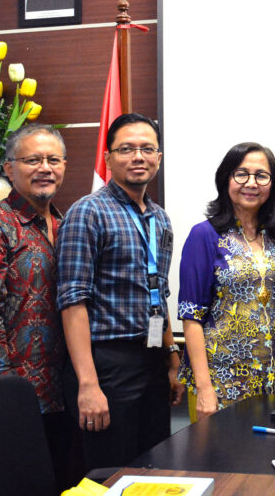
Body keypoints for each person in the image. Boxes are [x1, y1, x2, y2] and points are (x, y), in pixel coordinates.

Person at [56, 113, 185, 472]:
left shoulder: (160, 218)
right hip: (106, 365)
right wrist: (88, 384)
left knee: (152, 470)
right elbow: (72, 302)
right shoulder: (88, 212)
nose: (138, 157)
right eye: (126, 149)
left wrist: (171, 357)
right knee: (109, 474)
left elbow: (157, 292)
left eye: (147, 149)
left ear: (159, 157)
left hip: (151, 360)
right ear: (108, 158)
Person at [0, 123, 75, 488]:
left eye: (53, 160)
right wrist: (4, 393)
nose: (45, 168)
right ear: (9, 168)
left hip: (61, 391)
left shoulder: (64, 223)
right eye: (32, 160)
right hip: (15, 396)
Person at [177, 142, 275, 419]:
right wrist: (205, 388)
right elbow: (191, 316)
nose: (251, 183)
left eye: (261, 175)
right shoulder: (204, 235)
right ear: (226, 179)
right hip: (221, 381)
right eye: (241, 174)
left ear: (273, 184)